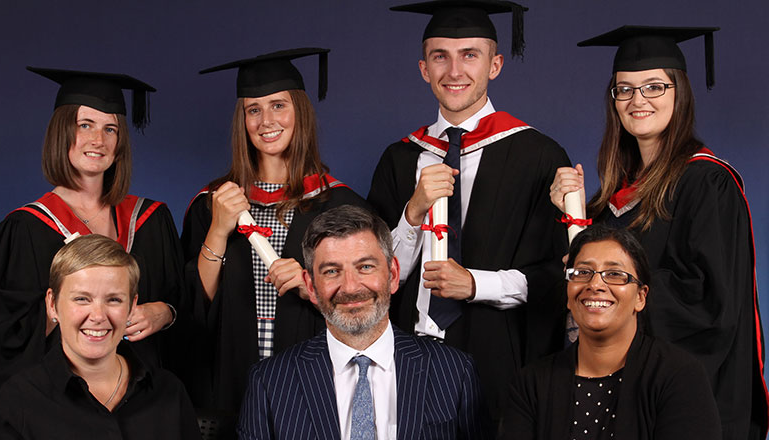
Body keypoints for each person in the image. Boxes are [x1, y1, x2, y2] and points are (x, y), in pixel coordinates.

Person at [550, 26, 768, 439]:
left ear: (679, 92)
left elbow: (708, 300)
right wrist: (570, 218)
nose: (638, 100)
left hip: (685, 402)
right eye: (625, 89)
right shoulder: (609, 198)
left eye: (654, 87)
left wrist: (609, 287)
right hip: (619, 396)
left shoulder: (707, 183)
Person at [367, 0, 570, 429]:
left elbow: (557, 277)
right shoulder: (400, 158)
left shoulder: (539, 156)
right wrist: (412, 211)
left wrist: (475, 283)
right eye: (440, 56)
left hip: (498, 359)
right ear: (424, 68)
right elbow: (375, 275)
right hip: (408, 351)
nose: (454, 71)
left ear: (495, 65)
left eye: (469, 55)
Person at [0, 67, 184, 412]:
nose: (97, 140)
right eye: (84, 125)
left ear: (120, 144)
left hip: (143, 407)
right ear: (62, 134)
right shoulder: (25, 229)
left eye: (110, 129)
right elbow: (5, 336)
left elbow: (185, 308)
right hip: (60, 409)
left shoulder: (150, 221)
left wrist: (165, 312)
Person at [181, 48, 369, 421]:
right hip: (231, 373)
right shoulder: (213, 202)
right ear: (243, 120)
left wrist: (309, 286)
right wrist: (219, 229)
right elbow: (195, 305)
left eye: (279, 105)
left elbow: (367, 307)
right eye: (254, 110)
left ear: (300, 111)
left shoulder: (339, 203)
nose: (266, 121)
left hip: (317, 373)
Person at [238, 205, 491, 439]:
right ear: (310, 286)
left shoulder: (455, 373)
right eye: (331, 271)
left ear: (392, 275)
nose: (350, 287)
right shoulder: (269, 383)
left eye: (366, 267)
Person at [501, 226, 721, 440]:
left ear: (640, 297)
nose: (595, 284)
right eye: (583, 272)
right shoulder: (530, 384)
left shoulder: (679, 376)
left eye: (615, 274)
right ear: (568, 294)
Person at [0, 235, 200, 440]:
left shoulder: (169, 392)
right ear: (52, 305)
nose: (97, 316)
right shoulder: (19, 401)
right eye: (82, 299)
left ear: (132, 306)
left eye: (113, 300)